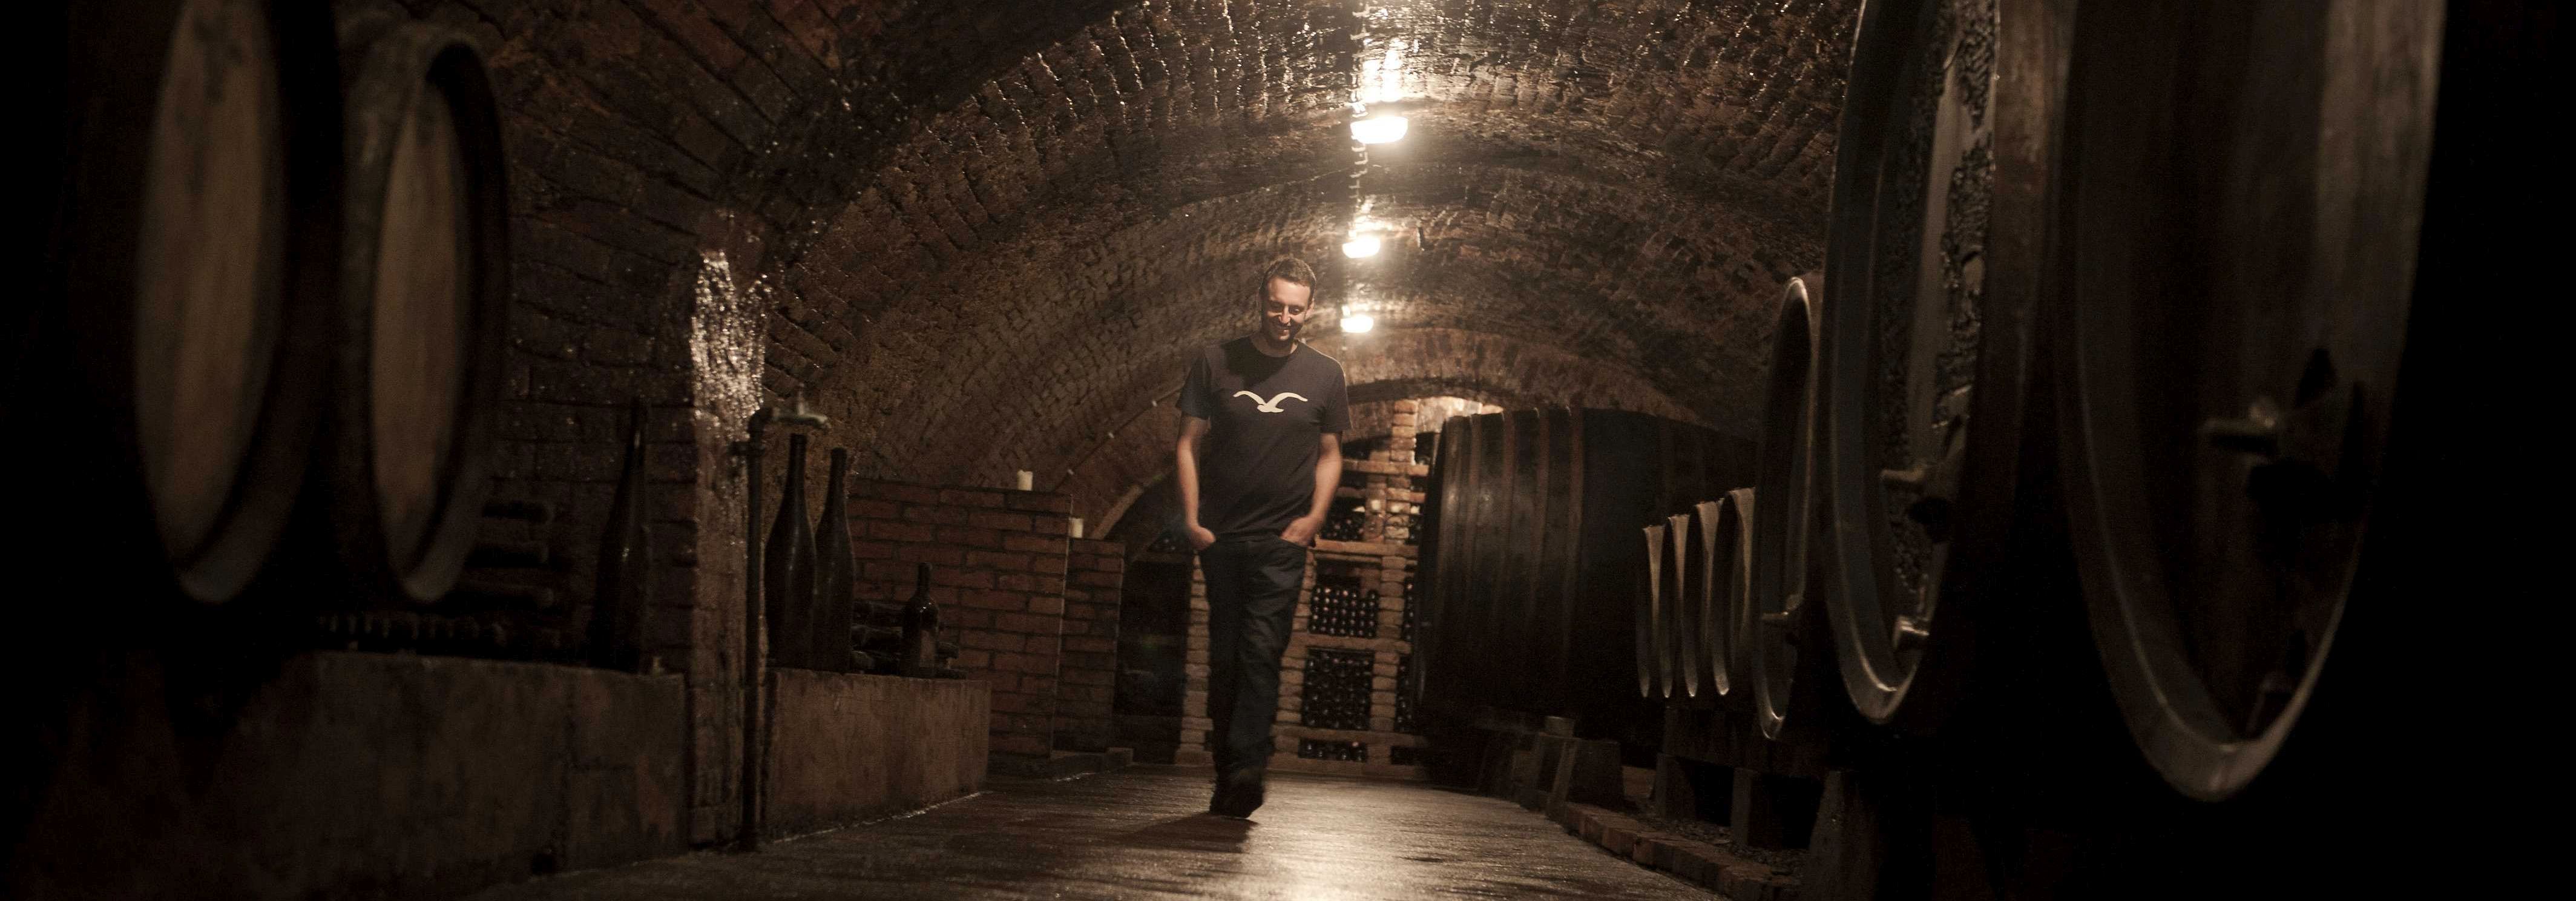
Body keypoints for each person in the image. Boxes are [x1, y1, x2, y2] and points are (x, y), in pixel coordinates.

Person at [1175, 256, 1349, 819]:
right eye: (1277, 306)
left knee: (1261, 653)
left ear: (1311, 309)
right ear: (1260, 300)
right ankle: (1229, 772)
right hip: (1222, 537)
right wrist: (1193, 521)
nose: (1285, 318)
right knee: (1226, 658)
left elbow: (1330, 454)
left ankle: (1247, 770)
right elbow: (1187, 444)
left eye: (1296, 309)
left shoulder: (1325, 374)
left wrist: (1315, 518)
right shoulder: (1216, 361)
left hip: (1282, 541)